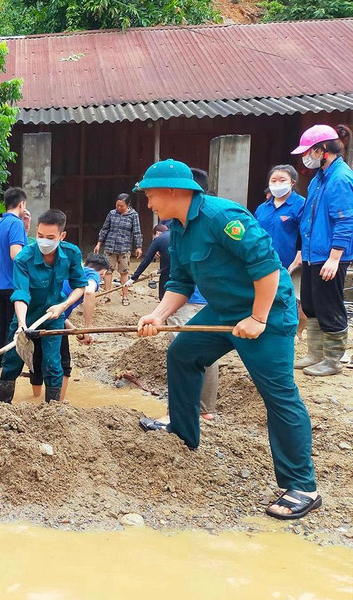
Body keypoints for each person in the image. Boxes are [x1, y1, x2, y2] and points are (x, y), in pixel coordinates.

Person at [135, 158, 319, 520]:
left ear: (173, 191)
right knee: (182, 353)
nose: (147, 201)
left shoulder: (222, 217)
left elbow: (266, 266)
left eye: (150, 193)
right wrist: (158, 315)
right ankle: (183, 430)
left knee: (278, 394)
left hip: (267, 311)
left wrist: (258, 317)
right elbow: (182, 283)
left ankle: (303, 486)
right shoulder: (180, 228)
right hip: (224, 309)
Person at [0, 209, 87, 404]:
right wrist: (21, 323)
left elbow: (80, 286)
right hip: (25, 317)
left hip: (53, 317)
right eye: (40, 236)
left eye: (50, 237)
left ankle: (52, 411)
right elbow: (20, 293)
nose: (44, 241)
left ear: (62, 236)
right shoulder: (24, 258)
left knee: (52, 364)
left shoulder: (71, 253)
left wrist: (63, 306)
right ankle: (1, 410)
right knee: (12, 361)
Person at [290, 124, 353, 376]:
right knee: (312, 303)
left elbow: (345, 220)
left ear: (323, 150)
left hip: (330, 255)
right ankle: (315, 354)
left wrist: (334, 257)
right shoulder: (320, 178)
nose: (306, 156)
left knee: (330, 306)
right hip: (312, 253)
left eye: (309, 151)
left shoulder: (340, 178)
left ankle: (333, 359)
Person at [26, 253, 108, 400]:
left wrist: (76, 332)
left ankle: (35, 399)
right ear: (103, 273)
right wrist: (87, 329)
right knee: (63, 364)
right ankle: (57, 405)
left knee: (36, 360)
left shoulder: (71, 271)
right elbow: (89, 292)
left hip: (37, 312)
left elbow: (59, 313)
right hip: (52, 318)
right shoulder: (92, 274)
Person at [254, 165, 308, 340]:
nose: (277, 184)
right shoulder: (262, 208)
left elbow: (306, 232)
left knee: (291, 298)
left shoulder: (301, 205)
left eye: (282, 180)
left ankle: (292, 332)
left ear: (292, 182)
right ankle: (267, 328)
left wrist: (301, 253)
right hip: (263, 261)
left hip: (290, 261)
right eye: (273, 180)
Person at [0, 187, 29, 368]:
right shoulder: (16, 224)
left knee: (1, 329)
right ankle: (9, 368)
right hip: (12, 286)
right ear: (21, 204)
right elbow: (16, 254)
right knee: (13, 329)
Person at [94, 193, 142, 306]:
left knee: (124, 272)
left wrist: (138, 246)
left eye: (121, 206)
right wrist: (99, 244)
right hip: (110, 247)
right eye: (117, 205)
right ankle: (107, 295)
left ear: (128, 205)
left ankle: (125, 296)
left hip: (124, 248)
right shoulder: (112, 213)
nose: (119, 208)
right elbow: (105, 229)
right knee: (108, 271)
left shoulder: (133, 215)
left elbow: (137, 232)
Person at [128, 223, 170, 299]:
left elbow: (147, 260)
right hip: (182, 268)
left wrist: (134, 277)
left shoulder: (158, 239)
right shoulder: (176, 235)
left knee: (164, 293)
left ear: (157, 233)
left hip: (167, 272)